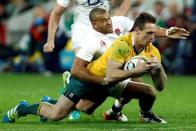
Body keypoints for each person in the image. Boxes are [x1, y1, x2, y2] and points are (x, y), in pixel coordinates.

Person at [2, 8, 189, 123]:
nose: (109, 22)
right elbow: (77, 69)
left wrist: (167, 32)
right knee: (57, 114)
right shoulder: (91, 41)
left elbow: (146, 29)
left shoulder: (120, 23)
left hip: (111, 77)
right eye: (104, 21)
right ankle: (23, 108)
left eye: (108, 18)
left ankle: (123, 112)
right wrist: (102, 80)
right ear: (93, 24)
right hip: (88, 78)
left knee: (91, 107)